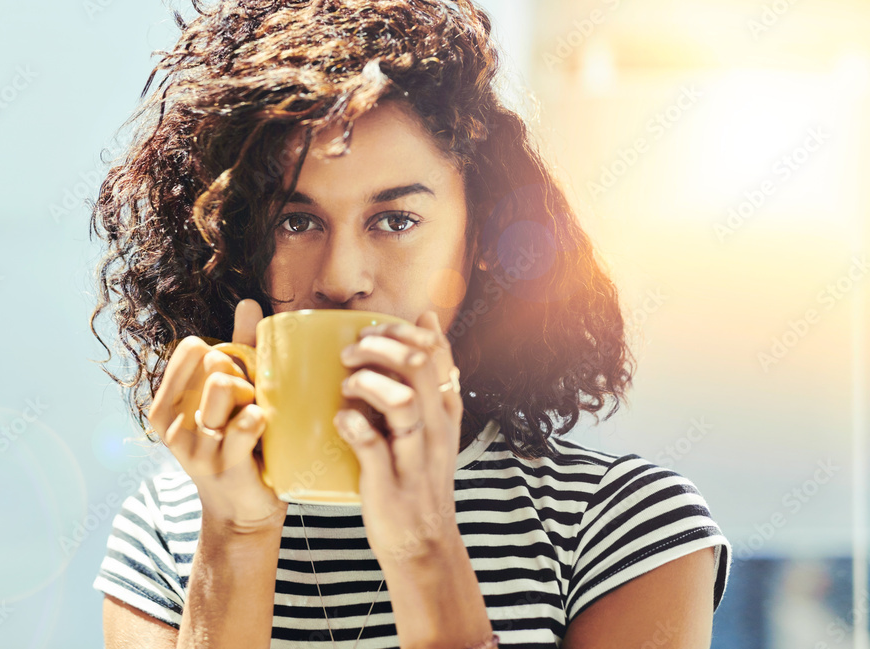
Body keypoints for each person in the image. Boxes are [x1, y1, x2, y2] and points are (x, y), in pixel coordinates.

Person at [88, 1, 732, 647]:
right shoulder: (164, 531)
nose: (341, 277)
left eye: (395, 221)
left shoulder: (623, 524)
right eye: (296, 220)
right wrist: (235, 539)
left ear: (480, 237)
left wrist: (425, 545)